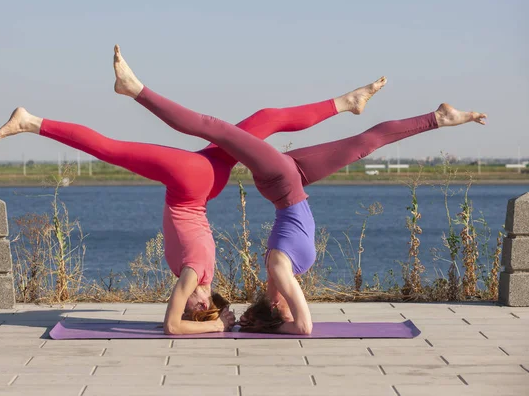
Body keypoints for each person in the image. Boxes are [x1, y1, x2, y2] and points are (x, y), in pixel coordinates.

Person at [0, 45, 386, 335]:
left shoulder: (191, 273)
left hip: (196, 181)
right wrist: (230, 321)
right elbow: (187, 320)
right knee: (261, 119)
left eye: (197, 307)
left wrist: (217, 323)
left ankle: (39, 121)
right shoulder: (198, 272)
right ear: (208, 305)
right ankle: (346, 102)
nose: (196, 300)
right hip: (199, 180)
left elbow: (174, 323)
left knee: (117, 149)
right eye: (203, 305)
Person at [108, 46, 487, 334]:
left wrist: (268, 323)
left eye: (286, 306)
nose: (296, 303)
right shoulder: (287, 270)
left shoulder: (280, 269)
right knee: (356, 141)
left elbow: (301, 325)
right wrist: (278, 324)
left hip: (282, 182)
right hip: (292, 181)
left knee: (221, 127)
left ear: (277, 305)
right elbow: (302, 325)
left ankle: (137, 90)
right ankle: (421, 115)